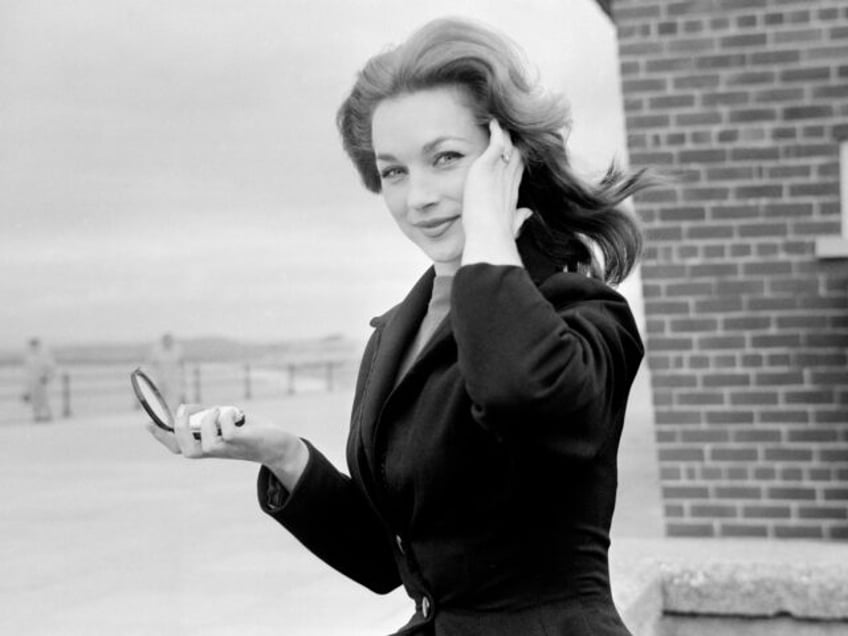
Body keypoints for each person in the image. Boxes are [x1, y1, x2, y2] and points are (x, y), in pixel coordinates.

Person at [145, 17, 652, 635]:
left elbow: (520, 392)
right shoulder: (398, 332)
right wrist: (281, 453)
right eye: (394, 172)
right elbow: (392, 559)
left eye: (446, 159)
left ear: (509, 158)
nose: (419, 199)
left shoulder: (585, 314)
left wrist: (492, 235)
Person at [147, 333, 185, 410]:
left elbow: (181, 364)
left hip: (174, 379)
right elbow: (152, 364)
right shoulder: (157, 351)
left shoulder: (178, 350)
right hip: (160, 378)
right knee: (159, 397)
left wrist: (181, 377)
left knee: (174, 398)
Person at [22, 337, 57, 422]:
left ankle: (47, 416)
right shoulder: (29, 357)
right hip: (32, 383)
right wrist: (26, 389)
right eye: (32, 344)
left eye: (34, 344)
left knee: (44, 399)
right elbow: (27, 374)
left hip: (41, 382)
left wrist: (47, 378)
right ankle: (37, 416)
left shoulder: (44, 356)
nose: (33, 346)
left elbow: (51, 369)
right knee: (35, 400)